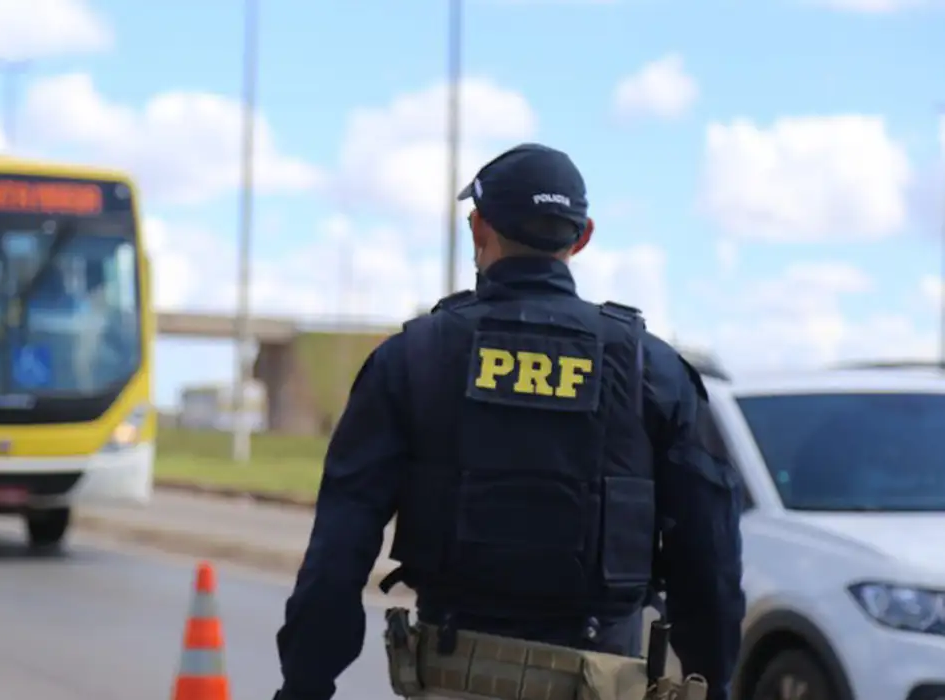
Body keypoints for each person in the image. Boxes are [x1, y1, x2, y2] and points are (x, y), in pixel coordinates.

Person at [274, 143, 745, 700]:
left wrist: (303, 687)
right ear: (582, 237)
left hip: (452, 678)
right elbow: (710, 563)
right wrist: (714, 684)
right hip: (603, 680)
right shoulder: (655, 369)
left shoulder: (413, 359)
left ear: (479, 228)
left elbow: (337, 553)